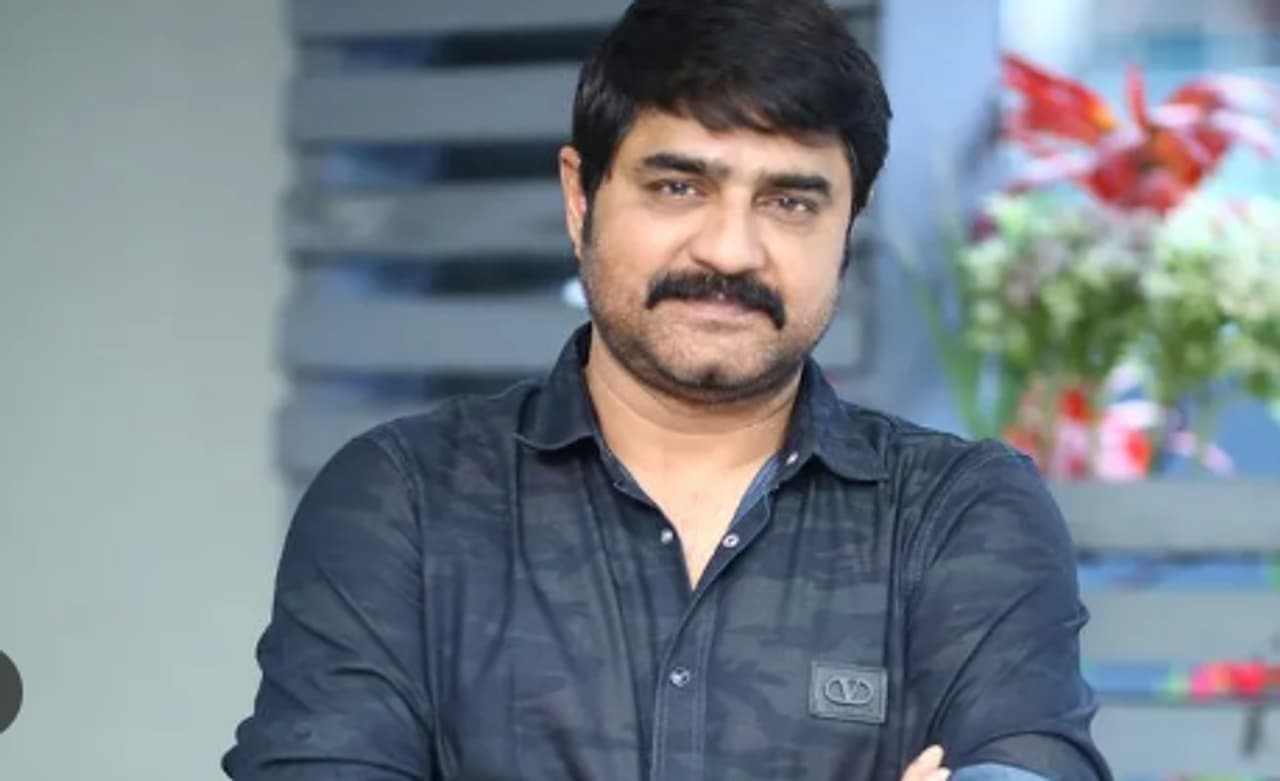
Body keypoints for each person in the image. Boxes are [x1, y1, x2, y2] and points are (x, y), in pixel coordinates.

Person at [223, 1, 1111, 779]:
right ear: (581, 198)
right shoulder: (404, 505)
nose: (730, 250)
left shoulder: (960, 515)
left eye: (791, 202)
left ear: (848, 229)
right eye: (679, 186)